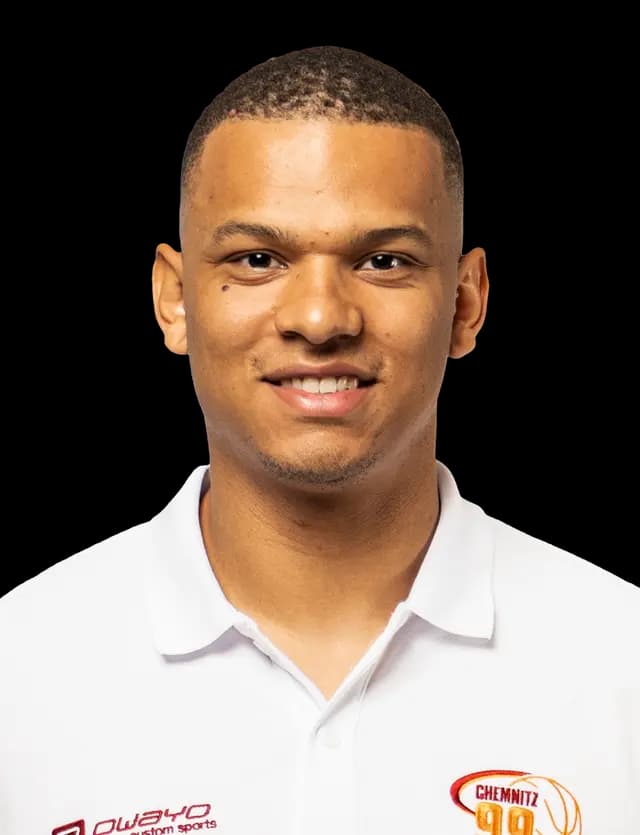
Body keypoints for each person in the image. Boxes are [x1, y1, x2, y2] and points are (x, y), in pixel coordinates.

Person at [1, 44, 637, 835]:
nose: (320, 318)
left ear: (466, 304)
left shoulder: (623, 659)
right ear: (174, 299)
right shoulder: (18, 666)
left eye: (383, 260)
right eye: (258, 259)